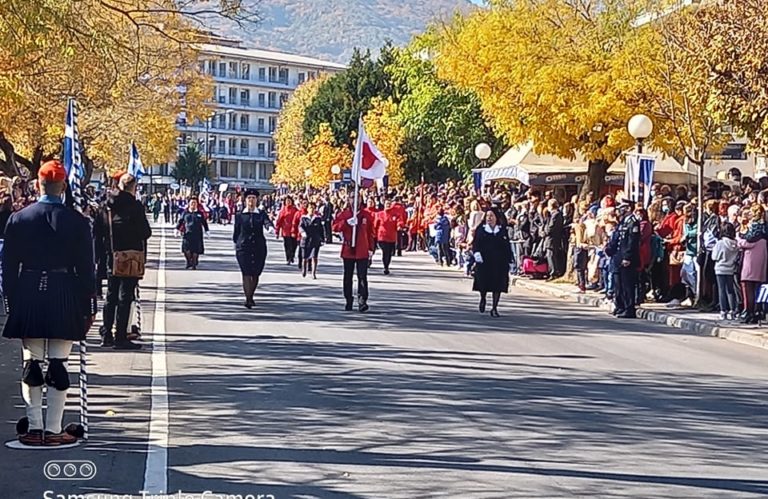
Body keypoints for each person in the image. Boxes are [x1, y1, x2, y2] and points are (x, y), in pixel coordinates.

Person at [3, 160, 96, 446]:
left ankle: (34, 427)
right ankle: (53, 429)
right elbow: (86, 269)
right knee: (58, 363)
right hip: (64, 290)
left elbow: (8, 266)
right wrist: (88, 306)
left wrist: (12, 299)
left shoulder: (19, 218)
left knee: (31, 362)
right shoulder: (79, 222)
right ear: (64, 186)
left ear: (37, 185)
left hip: (29, 290)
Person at [97, 173, 152, 349]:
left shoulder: (106, 206)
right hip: (130, 256)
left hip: (111, 254)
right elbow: (145, 232)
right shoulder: (135, 207)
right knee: (125, 296)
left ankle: (106, 333)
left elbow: (98, 230)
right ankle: (120, 335)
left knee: (111, 295)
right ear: (132, 187)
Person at [333, 192, 376, 312]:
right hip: (348, 250)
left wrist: (371, 249)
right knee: (348, 277)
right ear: (348, 199)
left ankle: (362, 301)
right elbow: (335, 227)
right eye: (352, 197)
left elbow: (371, 233)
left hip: (362, 250)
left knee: (362, 277)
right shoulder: (344, 214)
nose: (355, 200)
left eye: (357, 197)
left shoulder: (366, 215)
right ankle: (348, 299)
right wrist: (346, 223)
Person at [233, 189, 270, 308]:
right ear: (245, 200)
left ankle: (251, 296)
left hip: (258, 246)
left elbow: (267, 222)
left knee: (256, 273)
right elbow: (236, 231)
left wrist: (270, 228)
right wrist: (237, 243)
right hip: (243, 247)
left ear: (257, 200)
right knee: (246, 272)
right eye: (249, 198)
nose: (251, 200)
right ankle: (248, 298)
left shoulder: (261, 214)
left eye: (254, 198)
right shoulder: (240, 215)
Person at [472, 209, 513, 318]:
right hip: (484, 261)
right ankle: (483, 298)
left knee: (498, 285)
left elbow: (506, 245)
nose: (489, 218)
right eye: (488, 216)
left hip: (499, 262)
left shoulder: (502, 230)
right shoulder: (481, 229)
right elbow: (475, 244)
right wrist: (476, 254)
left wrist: (510, 259)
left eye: (492, 216)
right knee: (484, 283)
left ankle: (494, 308)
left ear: (496, 217)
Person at [606, 199, 641, 318]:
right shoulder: (623, 222)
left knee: (628, 285)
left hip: (628, 260)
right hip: (619, 258)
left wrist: (627, 257)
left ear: (628, 209)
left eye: (622, 208)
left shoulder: (633, 222)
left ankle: (629, 309)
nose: (619, 210)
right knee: (619, 285)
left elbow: (632, 242)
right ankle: (621, 306)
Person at [712, 222, 740, 321]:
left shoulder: (720, 243)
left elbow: (714, 257)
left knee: (721, 290)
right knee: (730, 290)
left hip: (720, 268)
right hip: (731, 268)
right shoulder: (736, 244)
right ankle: (733, 310)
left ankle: (723, 311)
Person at [177, 197, 208, 270]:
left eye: (195, 203)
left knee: (195, 250)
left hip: (197, 234)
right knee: (186, 250)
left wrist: (207, 230)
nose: (193, 204)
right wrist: (177, 229)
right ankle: (188, 262)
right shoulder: (185, 213)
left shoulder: (200, 213)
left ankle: (194, 264)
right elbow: (180, 221)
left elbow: (204, 223)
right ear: (189, 204)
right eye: (192, 203)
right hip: (187, 234)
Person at [299, 201, 324, 279]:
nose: (312, 210)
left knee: (314, 256)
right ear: (307, 209)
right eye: (310, 208)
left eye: (313, 208)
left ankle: (313, 272)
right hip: (305, 240)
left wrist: (322, 239)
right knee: (305, 257)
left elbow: (321, 230)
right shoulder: (303, 218)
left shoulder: (318, 219)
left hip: (315, 240)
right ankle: (304, 269)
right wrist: (302, 232)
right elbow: (300, 227)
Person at [374, 198, 399, 275]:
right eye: (386, 204)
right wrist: (374, 234)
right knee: (385, 251)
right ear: (384, 205)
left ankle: (387, 264)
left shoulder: (395, 214)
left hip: (392, 237)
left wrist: (399, 225)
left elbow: (399, 221)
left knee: (389, 252)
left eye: (389, 204)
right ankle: (385, 266)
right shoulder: (379, 214)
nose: (388, 205)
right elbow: (375, 225)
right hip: (382, 236)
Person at [275, 196, 299, 264]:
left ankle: (292, 255)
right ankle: (288, 258)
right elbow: (279, 221)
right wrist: (277, 231)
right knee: (287, 245)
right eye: (287, 201)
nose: (288, 202)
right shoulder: (283, 211)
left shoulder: (295, 210)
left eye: (289, 201)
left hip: (294, 230)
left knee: (294, 244)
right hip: (286, 231)